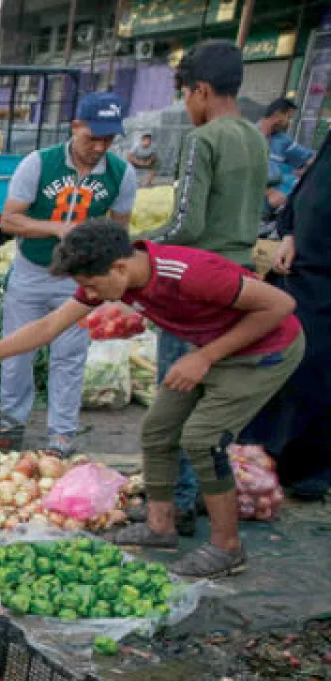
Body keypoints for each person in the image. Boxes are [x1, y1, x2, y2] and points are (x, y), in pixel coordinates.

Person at [0, 219, 302, 578]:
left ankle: (228, 548)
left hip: (264, 351)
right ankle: (160, 526)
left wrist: (204, 358)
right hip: (211, 347)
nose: (89, 297)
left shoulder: (189, 273)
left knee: (203, 440)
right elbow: (50, 326)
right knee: (157, 429)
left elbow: (281, 304)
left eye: (91, 287)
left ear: (119, 267)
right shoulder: (112, 277)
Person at [140, 41, 268, 534]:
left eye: (187, 96)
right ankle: (198, 498)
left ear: (202, 90)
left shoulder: (205, 139)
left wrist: (137, 248)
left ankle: (174, 506)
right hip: (240, 283)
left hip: (196, 285)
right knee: (206, 400)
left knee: (172, 397)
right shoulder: (256, 138)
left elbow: (186, 226)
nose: (186, 107)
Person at [0, 92, 137, 455]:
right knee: (17, 355)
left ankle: (61, 436)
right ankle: (11, 425)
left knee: (70, 356)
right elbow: (10, 220)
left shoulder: (122, 174)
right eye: (92, 137)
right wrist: (56, 228)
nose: (99, 147)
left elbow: (121, 232)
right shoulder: (38, 164)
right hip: (31, 272)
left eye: (107, 140)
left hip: (80, 280)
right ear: (75, 127)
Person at [245, 131, 331, 499]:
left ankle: (307, 469)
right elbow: (308, 187)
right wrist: (290, 232)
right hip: (302, 270)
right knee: (279, 360)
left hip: (327, 281)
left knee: (316, 370)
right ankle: (263, 453)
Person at [259, 97, 314, 211]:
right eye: (288, 117)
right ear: (277, 114)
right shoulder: (248, 136)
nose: (289, 123)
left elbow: (310, 158)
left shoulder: (283, 141)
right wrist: (268, 193)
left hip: (272, 206)